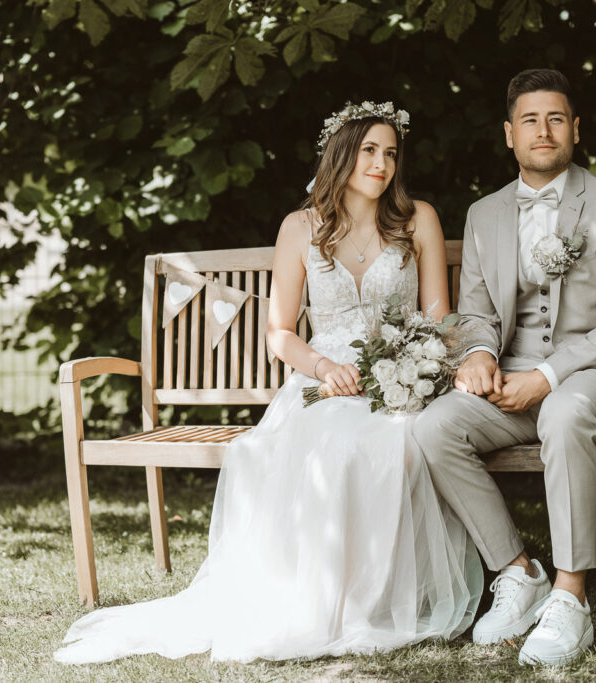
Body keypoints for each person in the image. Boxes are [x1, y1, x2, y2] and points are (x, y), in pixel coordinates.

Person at [55, 101, 483, 664]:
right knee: (329, 443)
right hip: (322, 377)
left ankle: (375, 597)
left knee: (391, 444)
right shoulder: (299, 228)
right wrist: (324, 368)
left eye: (390, 153)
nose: (381, 164)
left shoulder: (417, 218)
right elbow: (279, 332)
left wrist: (420, 364)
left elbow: (438, 317)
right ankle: (322, 599)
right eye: (368, 150)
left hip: (402, 377)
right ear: (341, 154)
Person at [413, 69, 596, 666]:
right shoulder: (484, 213)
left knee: (565, 411)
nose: (543, 130)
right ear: (508, 133)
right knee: (435, 426)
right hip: (514, 380)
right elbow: (475, 313)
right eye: (530, 120)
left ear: (575, 128)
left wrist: (546, 377)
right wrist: (478, 355)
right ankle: (518, 573)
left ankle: (571, 597)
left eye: (555, 118)